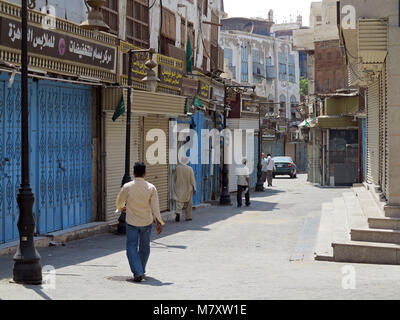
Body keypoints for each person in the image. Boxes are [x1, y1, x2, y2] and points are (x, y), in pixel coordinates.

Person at [115, 162, 164, 283]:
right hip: (146, 222)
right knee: (145, 247)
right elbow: (155, 206)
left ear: (133, 172)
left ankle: (138, 271)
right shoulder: (151, 187)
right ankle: (140, 269)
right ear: (145, 173)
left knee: (131, 247)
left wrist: (121, 208)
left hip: (132, 222)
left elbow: (120, 201)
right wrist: (159, 221)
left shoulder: (127, 186)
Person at [173, 156, 197, 222]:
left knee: (179, 201)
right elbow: (192, 179)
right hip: (188, 188)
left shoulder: (177, 168)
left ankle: (178, 212)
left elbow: (175, 178)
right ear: (187, 161)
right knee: (189, 203)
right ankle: (188, 217)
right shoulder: (190, 169)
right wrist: (194, 188)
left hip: (179, 187)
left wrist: (176, 184)